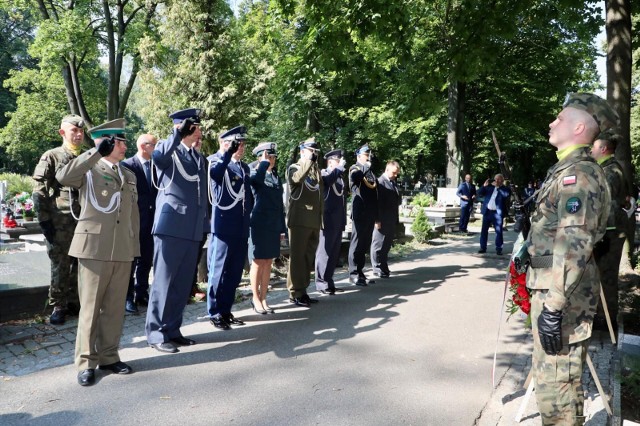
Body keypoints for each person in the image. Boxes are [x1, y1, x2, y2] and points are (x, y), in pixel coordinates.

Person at [523, 93, 617, 424]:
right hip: (554, 290)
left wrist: (553, 305)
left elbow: (574, 242)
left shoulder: (579, 176)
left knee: (557, 391)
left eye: (560, 118)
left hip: (562, 296)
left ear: (579, 127)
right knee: (557, 386)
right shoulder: (567, 170)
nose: (552, 122)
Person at [56, 118, 140, 386]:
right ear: (107, 142)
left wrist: (134, 247)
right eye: (120, 140)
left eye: (125, 140)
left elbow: (132, 216)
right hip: (93, 248)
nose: (125, 145)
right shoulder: (89, 170)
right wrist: (95, 152)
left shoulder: (129, 175)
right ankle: (86, 362)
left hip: (122, 249)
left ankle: (109, 356)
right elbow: (63, 177)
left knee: (115, 308)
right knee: (90, 309)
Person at [145, 108, 208, 354]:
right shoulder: (168, 149)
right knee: (164, 282)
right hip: (171, 227)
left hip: (192, 228)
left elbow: (202, 194)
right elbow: (157, 157)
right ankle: (155, 333)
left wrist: (204, 225)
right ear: (185, 127)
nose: (200, 130)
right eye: (195, 125)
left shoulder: (198, 157)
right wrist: (176, 134)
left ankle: (172, 329)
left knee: (182, 284)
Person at [32, 114, 84, 325]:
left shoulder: (87, 157)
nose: (79, 134)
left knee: (79, 262)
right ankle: (58, 305)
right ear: (63, 132)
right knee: (60, 263)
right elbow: (39, 190)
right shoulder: (52, 156)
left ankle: (74, 301)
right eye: (74, 130)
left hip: (84, 219)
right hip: (60, 221)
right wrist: (44, 221)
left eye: (81, 131)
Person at [206, 126, 253, 329]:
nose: (241, 147)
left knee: (234, 272)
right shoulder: (214, 161)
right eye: (237, 144)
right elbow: (215, 176)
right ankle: (215, 312)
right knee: (219, 270)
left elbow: (247, 197)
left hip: (241, 226)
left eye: (242, 144)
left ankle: (226, 310)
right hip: (223, 225)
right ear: (224, 143)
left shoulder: (244, 167)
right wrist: (227, 155)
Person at [590, 130, 628, 333]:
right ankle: (603, 317)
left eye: (594, 147)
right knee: (603, 274)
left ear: (603, 149)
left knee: (606, 276)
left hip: (610, 232)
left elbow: (609, 205)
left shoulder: (610, 171)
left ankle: (606, 321)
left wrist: (600, 234)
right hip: (610, 231)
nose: (590, 150)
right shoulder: (608, 169)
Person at [121, 134, 158, 314]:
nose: (156, 149)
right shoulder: (128, 165)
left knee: (146, 259)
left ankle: (142, 293)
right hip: (135, 220)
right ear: (144, 146)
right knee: (132, 261)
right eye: (154, 145)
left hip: (152, 221)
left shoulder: (156, 166)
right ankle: (128, 297)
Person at [248, 142, 286, 312]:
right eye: (269, 157)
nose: (272, 160)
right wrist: (262, 164)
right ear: (261, 157)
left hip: (272, 224)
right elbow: (255, 183)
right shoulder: (255, 172)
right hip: (258, 223)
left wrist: (282, 228)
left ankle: (264, 298)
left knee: (268, 261)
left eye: (273, 157)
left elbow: (280, 206)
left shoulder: (276, 177)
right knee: (257, 261)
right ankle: (255, 298)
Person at [286, 138, 323, 307]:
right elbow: (297, 179)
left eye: (315, 152)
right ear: (302, 151)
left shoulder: (316, 172)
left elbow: (319, 196)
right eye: (310, 151)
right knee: (298, 258)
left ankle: (303, 290)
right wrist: (308, 161)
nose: (314, 154)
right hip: (300, 220)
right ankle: (295, 292)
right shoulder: (295, 167)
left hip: (313, 220)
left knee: (308, 257)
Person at [315, 149, 347, 295]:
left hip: (338, 220)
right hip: (327, 219)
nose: (340, 163)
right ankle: (321, 283)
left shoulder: (340, 177)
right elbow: (326, 182)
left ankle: (329, 281)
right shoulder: (325, 173)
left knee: (334, 253)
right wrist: (339, 169)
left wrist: (343, 221)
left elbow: (342, 200)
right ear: (330, 162)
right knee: (324, 252)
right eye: (337, 161)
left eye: (340, 161)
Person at [348, 144, 378, 286]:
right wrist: (366, 166)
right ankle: (353, 273)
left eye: (369, 154)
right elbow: (356, 178)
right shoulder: (355, 168)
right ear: (359, 156)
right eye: (366, 155)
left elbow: (374, 190)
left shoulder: (369, 171)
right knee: (356, 243)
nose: (368, 157)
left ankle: (360, 272)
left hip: (369, 212)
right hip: (359, 211)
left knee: (364, 243)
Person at [370, 161, 401, 278]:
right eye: (394, 172)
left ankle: (383, 265)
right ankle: (376, 267)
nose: (396, 175)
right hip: (382, 219)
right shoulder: (379, 182)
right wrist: (376, 219)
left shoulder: (392, 182)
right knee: (378, 244)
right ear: (387, 170)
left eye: (397, 173)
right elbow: (376, 203)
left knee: (386, 244)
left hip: (391, 218)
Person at [476, 173, 511, 255]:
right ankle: (482, 247)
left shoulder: (505, 189)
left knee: (498, 231)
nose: (496, 181)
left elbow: (506, 195)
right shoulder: (489, 187)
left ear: (502, 181)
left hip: (497, 213)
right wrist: (484, 186)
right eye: (495, 179)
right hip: (487, 212)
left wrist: (498, 187)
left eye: (498, 179)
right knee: (484, 231)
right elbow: (480, 193)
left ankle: (499, 248)